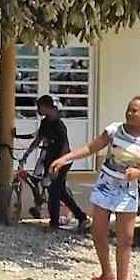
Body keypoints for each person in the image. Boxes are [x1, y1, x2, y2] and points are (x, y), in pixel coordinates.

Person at [50, 96, 140, 280]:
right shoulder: (114, 130)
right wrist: (65, 158)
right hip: (105, 186)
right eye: (128, 109)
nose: (129, 113)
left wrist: (138, 173)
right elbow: (91, 148)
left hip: (127, 193)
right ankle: (106, 274)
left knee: (126, 240)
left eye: (135, 110)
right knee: (98, 233)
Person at [24, 96, 88, 232]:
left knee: (54, 191)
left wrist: (58, 165)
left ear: (46, 107)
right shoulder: (45, 122)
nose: (37, 110)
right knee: (61, 192)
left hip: (62, 161)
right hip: (51, 160)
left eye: (39, 107)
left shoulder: (59, 125)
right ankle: (82, 217)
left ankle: (54, 224)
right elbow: (38, 140)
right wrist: (26, 154)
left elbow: (65, 146)